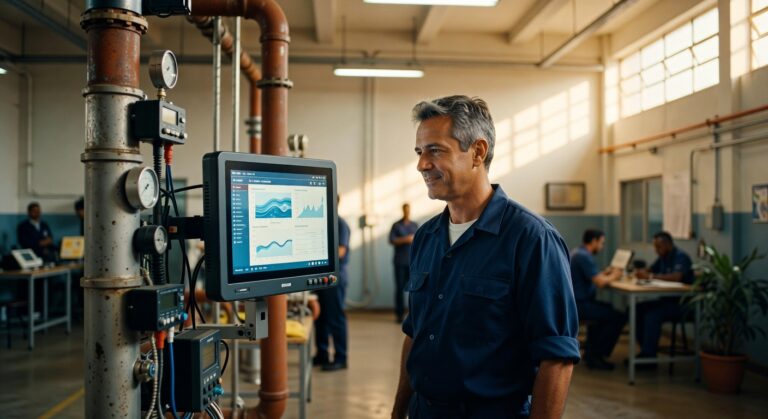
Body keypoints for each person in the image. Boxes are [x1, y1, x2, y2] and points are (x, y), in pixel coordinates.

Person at [391, 96, 580, 419]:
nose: (422, 164)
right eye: (420, 152)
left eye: (435, 150)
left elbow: (557, 358)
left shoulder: (531, 239)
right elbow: (415, 333)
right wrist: (398, 412)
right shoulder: (425, 237)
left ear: (478, 152)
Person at [633, 231, 694, 363]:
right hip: (666, 302)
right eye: (655, 247)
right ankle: (646, 351)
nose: (656, 250)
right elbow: (651, 269)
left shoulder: (680, 257)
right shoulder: (663, 257)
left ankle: (648, 357)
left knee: (652, 316)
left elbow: (677, 277)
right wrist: (641, 272)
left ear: (667, 245)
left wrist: (650, 277)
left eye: (658, 247)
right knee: (637, 309)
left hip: (682, 305)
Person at [570, 229, 626, 370]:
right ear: (594, 241)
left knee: (608, 309)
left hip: (576, 303)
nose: (602, 247)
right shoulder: (583, 256)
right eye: (601, 243)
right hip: (580, 305)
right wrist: (616, 274)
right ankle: (597, 355)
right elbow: (600, 283)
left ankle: (591, 352)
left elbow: (593, 276)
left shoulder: (578, 252)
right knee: (617, 317)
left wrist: (605, 273)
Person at [313, 195, 351, 372]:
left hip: (334, 278)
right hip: (320, 278)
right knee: (320, 317)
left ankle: (341, 357)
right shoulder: (321, 223)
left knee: (335, 318)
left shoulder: (340, 224)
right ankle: (322, 354)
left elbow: (340, 252)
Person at [389, 203, 419, 323]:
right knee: (399, 288)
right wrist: (405, 239)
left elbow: (419, 240)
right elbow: (392, 240)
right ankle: (399, 315)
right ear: (402, 210)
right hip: (399, 262)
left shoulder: (414, 225)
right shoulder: (396, 225)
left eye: (408, 210)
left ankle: (413, 313)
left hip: (412, 262)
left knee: (414, 288)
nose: (407, 212)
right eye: (405, 210)